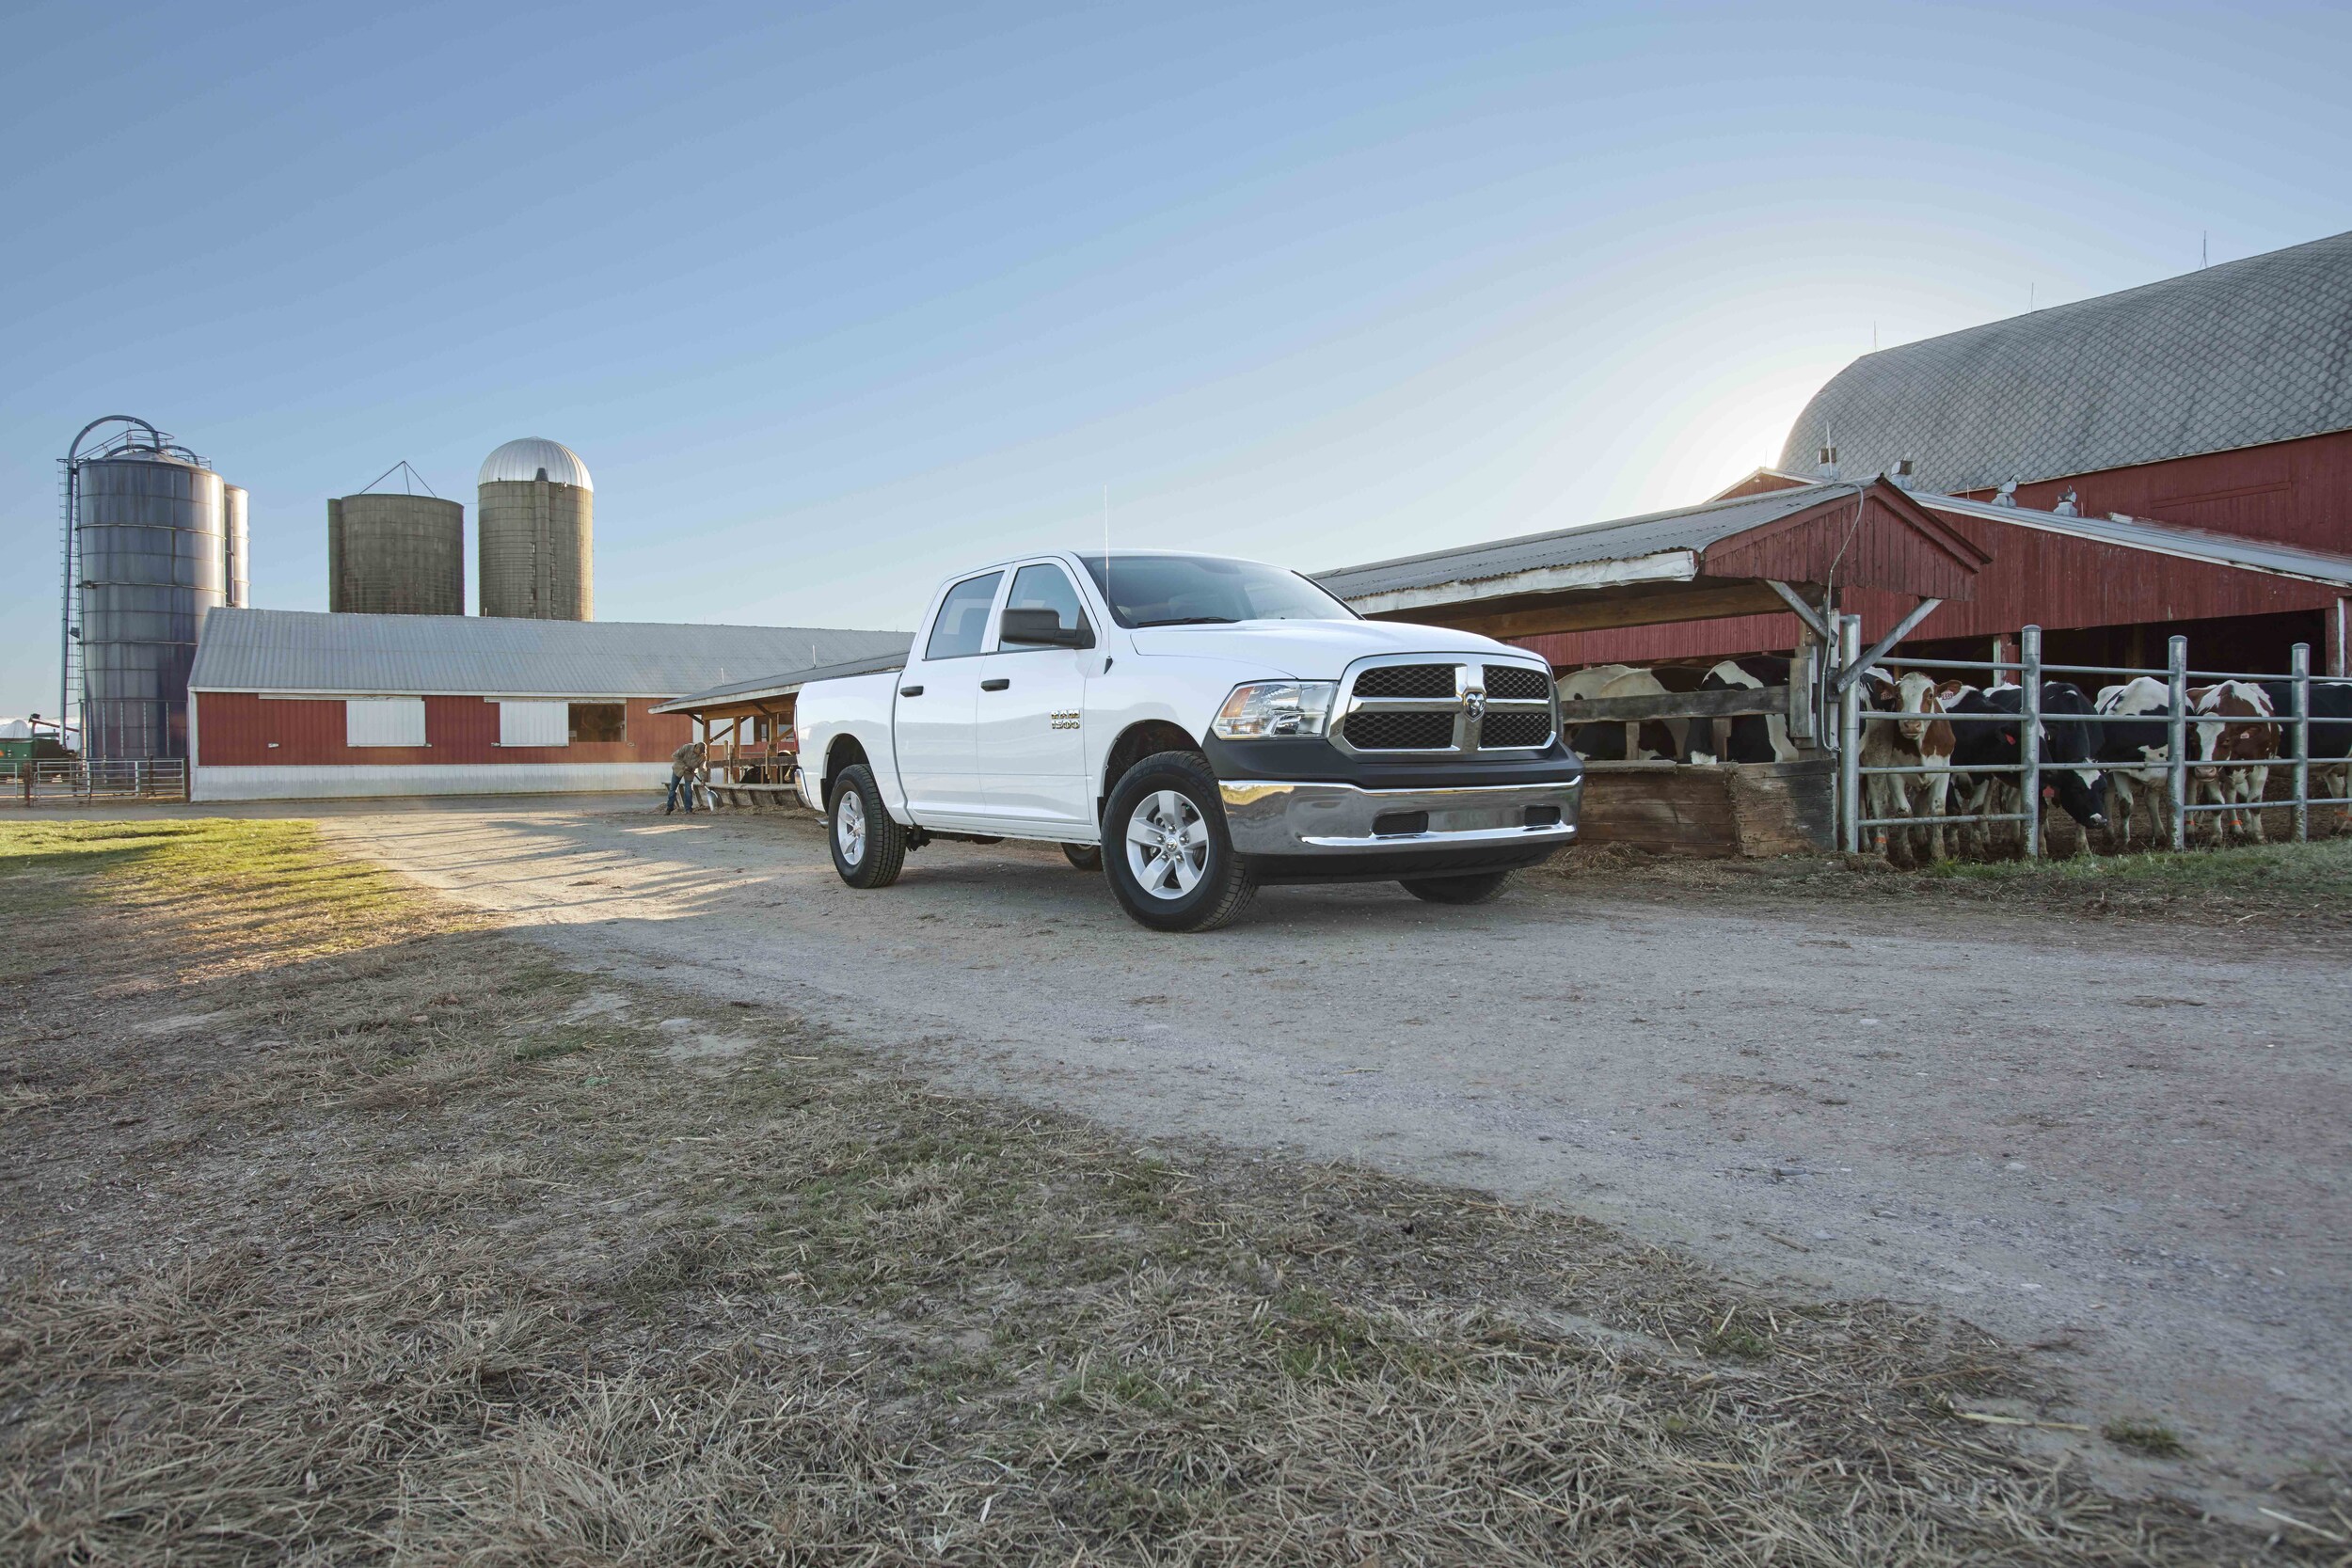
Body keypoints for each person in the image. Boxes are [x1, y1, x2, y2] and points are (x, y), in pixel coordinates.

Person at [664, 740, 707, 814]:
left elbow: (702, 768)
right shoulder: (686, 747)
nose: (701, 753)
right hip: (678, 769)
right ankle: (669, 808)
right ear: (696, 747)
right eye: (700, 751)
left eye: (702, 752)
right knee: (673, 789)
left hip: (690, 773)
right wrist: (684, 766)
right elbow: (674, 756)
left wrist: (703, 779)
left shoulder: (703, 756)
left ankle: (688, 809)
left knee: (689, 790)